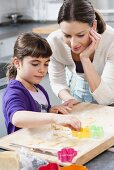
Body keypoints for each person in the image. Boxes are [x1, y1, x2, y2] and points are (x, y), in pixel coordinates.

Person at [2, 32, 81, 134]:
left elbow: (39, 115)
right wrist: (54, 118)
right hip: (23, 147)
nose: (42, 70)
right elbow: (17, 118)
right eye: (35, 64)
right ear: (17, 63)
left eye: (46, 64)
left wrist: (51, 111)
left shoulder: (38, 89)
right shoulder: (14, 91)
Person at [47, 0, 114, 106]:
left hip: (106, 92)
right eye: (67, 35)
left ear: (93, 26)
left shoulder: (111, 41)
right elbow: (57, 82)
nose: (73, 44)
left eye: (80, 35)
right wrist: (71, 101)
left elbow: (107, 99)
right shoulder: (54, 41)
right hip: (74, 89)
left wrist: (85, 59)